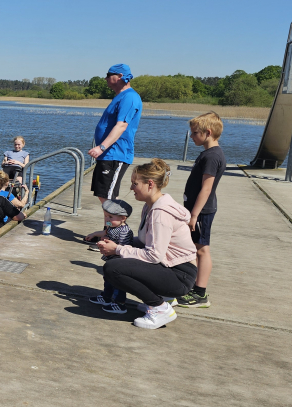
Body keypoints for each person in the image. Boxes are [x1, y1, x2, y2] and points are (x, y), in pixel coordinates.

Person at [99, 159, 197, 330]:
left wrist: (118, 249)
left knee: (113, 268)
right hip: (170, 267)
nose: (131, 188)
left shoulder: (160, 213)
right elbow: (146, 242)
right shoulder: (150, 206)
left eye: (135, 183)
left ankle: (160, 308)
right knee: (117, 260)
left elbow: (154, 255)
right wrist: (117, 243)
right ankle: (160, 300)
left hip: (180, 275)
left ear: (150, 184)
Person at [176, 112, 226, 309]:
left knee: (202, 250)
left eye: (195, 133)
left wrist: (194, 215)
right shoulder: (208, 153)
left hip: (202, 212)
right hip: (196, 209)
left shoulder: (212, 156)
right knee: (195, 248)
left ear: (208, 132)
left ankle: (200, 293)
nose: (191, 136)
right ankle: (192, 286)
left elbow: (206, 188)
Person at [89, 64, 143, 202]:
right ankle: (112, 217)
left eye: (108, 75)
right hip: (108, 155)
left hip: (115, 153)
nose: (105, 78)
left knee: (108, 198)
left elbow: (121, 126)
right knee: (105, 195)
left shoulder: (129, 97)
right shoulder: (120, 96)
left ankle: (116, 218)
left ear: (120, 76)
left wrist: (101, 147)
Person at [86, 200, 134, 314]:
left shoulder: (125, 231)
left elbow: (123, 248)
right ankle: (106, 297)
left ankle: (120, 303)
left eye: (110, 217)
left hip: (119, 262)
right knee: (107, 279)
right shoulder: (112, 226)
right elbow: (105, 232)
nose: (107, 219)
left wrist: (108, 243)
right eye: (106, 216)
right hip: (111, 259)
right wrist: (95, 234)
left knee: (118, 283)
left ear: (123, 218)